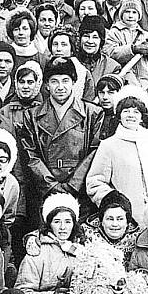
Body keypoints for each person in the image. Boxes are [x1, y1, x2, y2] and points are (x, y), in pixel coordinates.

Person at [22, 56, 103, 217]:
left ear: (73, 82)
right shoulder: (32, 115)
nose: (60, 87)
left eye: (65, 80)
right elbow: (30, 154)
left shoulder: (92, 113)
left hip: (80, 192)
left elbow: (95, 152)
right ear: (46, 85)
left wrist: (73, 185)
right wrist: (52, 186)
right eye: (54, 81)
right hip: (44, 191)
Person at [87, 86, 148, 225]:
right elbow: (95, 183)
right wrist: (115, 206)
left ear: (141, 116)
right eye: (126, 111)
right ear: (119, 114)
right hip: (127, 220)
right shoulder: (109, 145)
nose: (131, 115)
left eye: (136, 112)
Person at [103, 0, 148, 88]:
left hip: (145, 77)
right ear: (121, 13)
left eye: (134, 12)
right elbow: (110, 52)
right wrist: (132, 49)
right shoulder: (114, 32)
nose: (130, 15)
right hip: (125, 76)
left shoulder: (145, 34)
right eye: (127, 12)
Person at [82, 190, 142, 266]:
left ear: (127, 222)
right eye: (110, 219)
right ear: (101, 221)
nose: (115, 224)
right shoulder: (85, 236)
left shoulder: (138, 240)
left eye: (120, 219)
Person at [46, 26, 95, 101]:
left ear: (72, 48)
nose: (59, 49)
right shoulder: (45, 68)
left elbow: (89, 100)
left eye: (64, 44)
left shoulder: (83, 73)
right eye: (55, 44)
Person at [77, 15, 119, 87]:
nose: (90, 41)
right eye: (86, 36)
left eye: (95, 37)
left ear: (101, 41)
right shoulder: (72, 62)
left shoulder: (111, 67)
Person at [0, 61, 43, 130]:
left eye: (30, 82)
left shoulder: (44, 110)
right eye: (22, 82)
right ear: (16, 83)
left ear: (37, 84)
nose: (25, 86)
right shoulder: (5, 112)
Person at [95, 73, 124, 140]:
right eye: (101, 92)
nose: (105, 97)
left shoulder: (123, 117)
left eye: (110, 93)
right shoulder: (93, 115)